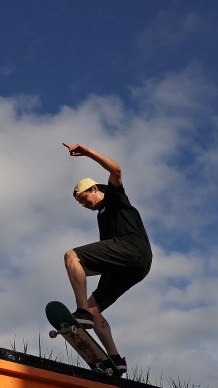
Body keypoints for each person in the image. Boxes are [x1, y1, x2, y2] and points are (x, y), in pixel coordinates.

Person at [61, 142, 152, 374]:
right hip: (129, 267)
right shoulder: (101, 218)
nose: (84, 205)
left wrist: (88, 152)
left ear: (94, 189)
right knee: (95, 310)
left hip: (131, 249)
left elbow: (117, 170)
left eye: (84, 199)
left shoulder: (114, 196)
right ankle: (115, 358)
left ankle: (81, 312)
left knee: (72, 256)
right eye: (80, 203)